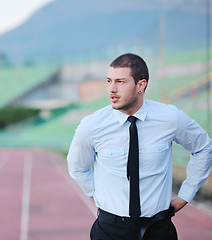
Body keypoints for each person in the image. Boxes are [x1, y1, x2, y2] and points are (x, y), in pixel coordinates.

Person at [67, 53, 212, 240]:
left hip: (158, 228)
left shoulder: (170, 118)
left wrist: (186, 195)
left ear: (141, 85)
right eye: (109, 81)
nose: (112, 89)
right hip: (110, 230)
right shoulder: (92, 126)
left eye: (120, 82)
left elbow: (203, 148)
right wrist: (98, 195)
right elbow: (77, 166)